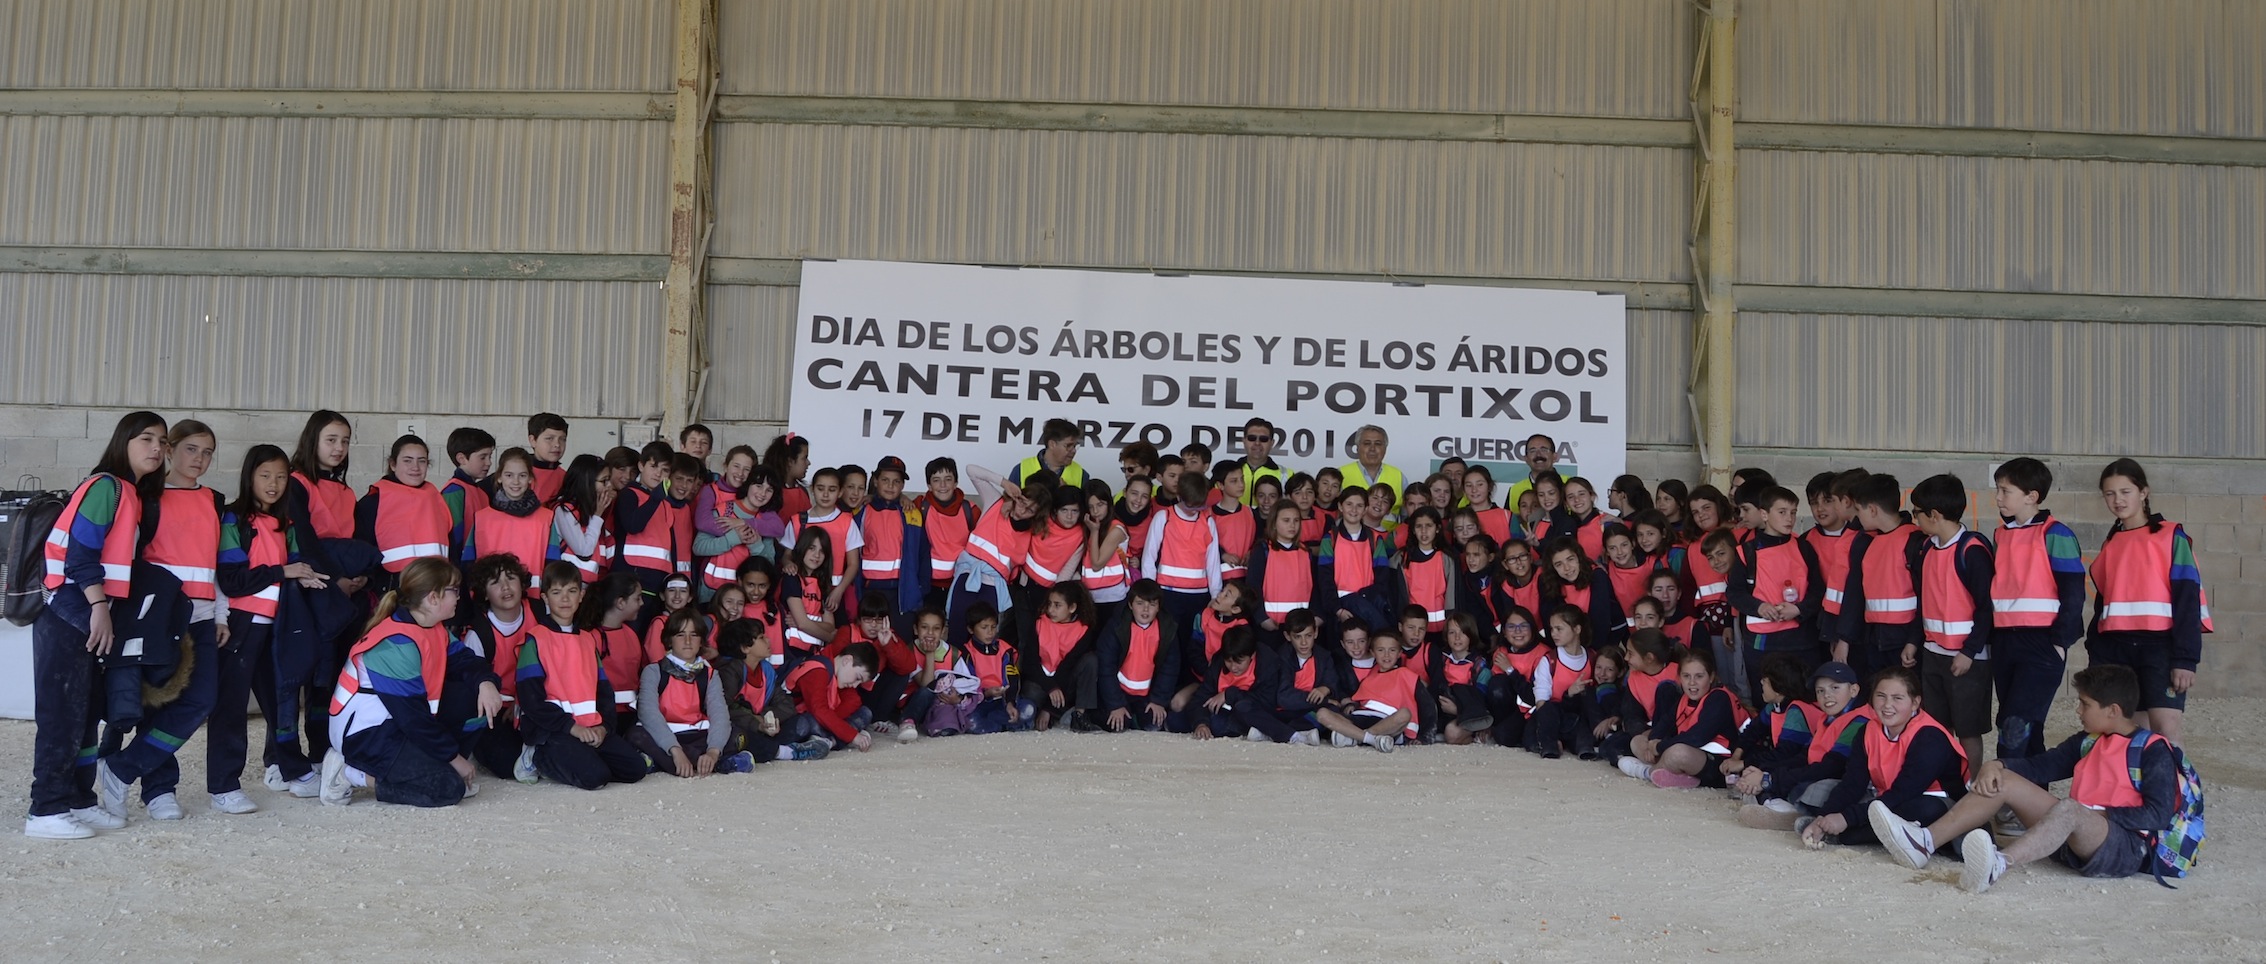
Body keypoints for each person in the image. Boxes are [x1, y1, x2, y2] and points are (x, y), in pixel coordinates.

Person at [1866, 665, 2185, 893]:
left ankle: (1999, 864)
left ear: (2113, 710)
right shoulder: (2089, 740)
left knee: (2071, 808)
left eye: (2085, 704)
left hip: (2124, 848)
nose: (2078, 710)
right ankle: (1924, 843)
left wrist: (2096, 814)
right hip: (2074, 837)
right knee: (2005, 780)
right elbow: (2042, 766)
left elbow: (2158, 815)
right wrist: (1997, 763)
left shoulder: (2154, 750)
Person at [25, 412, 168, 839]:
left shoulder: (129, 493)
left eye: (162, 441)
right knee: (63, 711)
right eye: (146, 438)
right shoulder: (107, 486)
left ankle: (77, 800)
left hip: (88, 609)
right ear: (124, 441)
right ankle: (45, 809)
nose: (157, 449)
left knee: (85, 711)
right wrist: (99, 606)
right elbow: (80, 555)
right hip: (74, 607)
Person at [103, 420, 230, 822]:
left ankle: (123, 769)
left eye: (207, 452)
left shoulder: (215, 500)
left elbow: (218, 565)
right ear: (171, 450)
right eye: (191, 449)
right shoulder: (146, 496)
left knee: (200, 699)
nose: (200, 459)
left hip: (203, 616)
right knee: (158, 702)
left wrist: (222, 614)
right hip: (157, 618)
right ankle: (160, 791)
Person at [321, 557, 505, 807]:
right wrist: (453, 758)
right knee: (448, 790)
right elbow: (413, 719)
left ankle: (440, 768)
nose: (459, 597)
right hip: (365, 734)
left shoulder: (433, 627)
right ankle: (349, 773)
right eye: (453, 590)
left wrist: (486, 682)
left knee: (476, 697)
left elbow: (466, 662)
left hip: (396, 723)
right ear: (433, 598)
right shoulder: (395, 643)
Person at [212, 443, 333, 811]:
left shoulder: (286, 524)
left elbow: (295, 564)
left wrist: (305, 576)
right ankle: (223, 786)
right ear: (249, 477)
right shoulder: (234, 520)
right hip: (241, 625)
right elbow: (232, 580)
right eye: (265, 475)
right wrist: (283, 572)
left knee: (281, 704)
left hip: (279, 625)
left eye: (281, 477)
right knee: (230, 708)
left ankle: (285, 767)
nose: (274, 484)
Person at [2086, 458, 2211, 743]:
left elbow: (2187, 599)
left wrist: (2185, 659)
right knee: (2129, 735)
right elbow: (2103, 604)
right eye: (2109, 493)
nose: (2117, 500)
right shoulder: (2111, 542)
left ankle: (2175, 788)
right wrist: (2095, 650)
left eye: (2125, 491)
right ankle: (2138, 789)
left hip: (2160, 649)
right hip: (2115, 649)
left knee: (2166, 732)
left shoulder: (2171, 536)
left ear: (2143, 492)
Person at [514, 562, 647, 791]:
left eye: (571, 591)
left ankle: (579, 756)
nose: (565, 599)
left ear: (581, 596)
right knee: (596, 777)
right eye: (557, 592)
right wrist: (572, 728)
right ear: (545, 598)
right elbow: (531, 701)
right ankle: (535, 756)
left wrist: (604, 727)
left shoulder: (587, 640)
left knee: (635, 769)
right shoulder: (535, 639)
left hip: (589, 727)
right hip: (553, 730)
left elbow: (603, 692)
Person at [1802, 667, 1968, 849]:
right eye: (1881, 696)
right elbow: (1852, 783)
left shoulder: (1929, 736)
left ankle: (1846, 836)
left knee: (1925, 809)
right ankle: (1830, 828)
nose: (1887, 705)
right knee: (1820, 790)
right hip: (1882, 797)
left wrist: (1846, 818)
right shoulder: (1867, 730)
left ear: (1915, 703)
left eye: (1897, 698)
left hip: (1930, 802)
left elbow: (1903, 793)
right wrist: (1823, 818)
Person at [1987, 457, 2087, 758]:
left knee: (2015, 724)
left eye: (2006, 491)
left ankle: (2005, 791)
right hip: (2005, 641)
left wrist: (2059, 642)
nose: (1998, 497)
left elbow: (2073, 593)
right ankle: (2031, 797)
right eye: (1998, 490)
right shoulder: (2001, 534)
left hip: (2041, 642)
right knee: (2020, 723)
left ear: (2032, 496)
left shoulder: (2056, 534)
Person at [1909, 473, 1996, 765]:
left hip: (1966, 659)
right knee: (1936, 726)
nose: (1914, 518)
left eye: (1916, 512)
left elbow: (1986, 607)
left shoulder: (1971, 551)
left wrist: (1969, 651)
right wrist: (1915, 641)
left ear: (1933, 515)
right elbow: (1924, 602)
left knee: (1968, 729)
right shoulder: (1926, 548)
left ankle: (1972, 786)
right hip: (1934, 653)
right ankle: (1945, 783)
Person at [1737, 661, 1874, 830]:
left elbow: (1832, 767)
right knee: (1787, 778)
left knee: (1812, 789)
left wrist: (1770, 780)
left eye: (1835, 688)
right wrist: (1766, 773)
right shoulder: (1826, 719)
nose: (1827, 695)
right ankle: (1780, 807)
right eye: (1820, 691)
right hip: (1819, 772)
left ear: (1854, 690)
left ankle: (1787, 811)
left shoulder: (1859, 721)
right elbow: (1804, 757)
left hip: (1842, 782)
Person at [1727, 485, 1826, 703]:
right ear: (1764, 514)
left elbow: (1818, 589)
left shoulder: (1803, 547)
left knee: (1805, 700)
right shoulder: (1746, 552)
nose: (1789, 518)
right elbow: (1734, 592)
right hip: (1763, 643)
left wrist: (1799, 609)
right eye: (1782, 512)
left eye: (1793, 512)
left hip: (1801, 641)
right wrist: (1759, 607)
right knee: (1766, 702)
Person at [631, 609, 755, 777]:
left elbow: (719, 714)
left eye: (694, 635)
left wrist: (713, 751)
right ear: (669, 640)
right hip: (665, 734)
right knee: (635, 735)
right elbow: (649, 714)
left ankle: (662, 763)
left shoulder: (710, 673)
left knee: (738, 735)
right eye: (681, 635)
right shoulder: (654, 671)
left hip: (697, 734)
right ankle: (718, 764)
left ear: (701, 641)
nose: (688, 641)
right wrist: (675, 750)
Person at [1838, 473, 1924, 683]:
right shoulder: (1866, 541)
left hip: (1905, 644)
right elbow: (1855, 593)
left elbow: (1925, 599)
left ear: (1873, 510)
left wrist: (1913, 641)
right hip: (1874, 641)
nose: (1858, 517)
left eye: (1859, 510)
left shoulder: (1915, 540)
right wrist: (1844, 638)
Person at [460, 553, 537, 782]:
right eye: (495, 582)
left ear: (522, 583)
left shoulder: (540, 613)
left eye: (511, 578)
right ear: (484, 593)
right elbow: (472, 686)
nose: (505, 587)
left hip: (533, 704)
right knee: (508, 764)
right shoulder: (479, 633)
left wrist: (521, 702)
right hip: (495, 712)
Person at [1621, 649, 1742, 789]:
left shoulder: (1718, 698)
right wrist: (1652, 743)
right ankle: (1678, 775)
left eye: (1699, 676)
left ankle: (1647, 772)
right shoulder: (1684, 698)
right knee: (1638, 740)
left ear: (1711, 677)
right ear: (1679, 677)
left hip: (1718, 764)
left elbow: (1697, 737)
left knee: (1677, 753)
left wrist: (1660, 747)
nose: (1692, 683)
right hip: (1686, 752)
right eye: (1686, 676)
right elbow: (1665, 723)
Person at [1142, 472, 1224, 643]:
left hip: (1199, 596)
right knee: (1168, 643)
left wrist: (1215, 595)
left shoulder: (1208, 521)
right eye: (1190, 506)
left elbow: (1213, 561)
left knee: (1193, 644)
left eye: (1199, 506)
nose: (1194, 511)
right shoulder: (1164, 517)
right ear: (1178, 496)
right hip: (1167, 594)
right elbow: (1149, 557)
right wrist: (1150, 593)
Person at [463, 447, 558, 580]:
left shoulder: (546, 518)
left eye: (522, 475)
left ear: (530, 478)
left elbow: (553, 565)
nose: (516, 481)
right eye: (509, 475)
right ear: (499, 477)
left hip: (533, 597)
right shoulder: (481, 518)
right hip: (489, 597)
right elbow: (468, 564)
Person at [781, 641, 880, 753]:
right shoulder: (818, 670)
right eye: (857, 678)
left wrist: (841, 728)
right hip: (791, 720)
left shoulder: (838, 674)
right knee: (806, 723)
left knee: (865, 713)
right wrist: (852, 735)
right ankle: (832, 740)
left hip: (817, 720)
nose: (855, 685)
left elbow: (853, 701)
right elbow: (819, 710)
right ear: (846, 660)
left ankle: (828, 741)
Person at [439, 427, 496, 569]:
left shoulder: (480, 492)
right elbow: (453, 537)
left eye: (490, 456)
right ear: (461, 459)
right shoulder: (454, 491)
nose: (488, 462)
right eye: (483, 457)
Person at [1337, 424, 1405, 526]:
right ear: (1357, 448)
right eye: (1367, 443)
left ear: (1385, 449)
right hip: (1349, 539)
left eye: (1378, 444)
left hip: (1388, 539)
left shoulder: (1399, 476)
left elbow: (1407, 517)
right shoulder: (1341, 474)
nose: (1372, 448)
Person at [1003, 417, 1090, 497]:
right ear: (1052, 444)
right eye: (1068, 446)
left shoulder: (1082, 475)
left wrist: (1066, 493)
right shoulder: (1020, 470)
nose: (1073, 450)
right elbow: (1009, 505)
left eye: (1075, 446)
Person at [1503, 433, 1560, 510]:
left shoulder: (1568, 484)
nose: (1538, 455)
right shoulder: (1515, 490)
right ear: (1526, 459)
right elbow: (1509, 521)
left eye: (1544, 450)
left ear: (1555, 456)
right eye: (1532, 451)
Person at [525, 413, 570, 504]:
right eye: (549, 438)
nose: (557, 444)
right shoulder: (517, 474)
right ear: (533, 440)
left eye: (562, 439)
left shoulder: (566, 478)